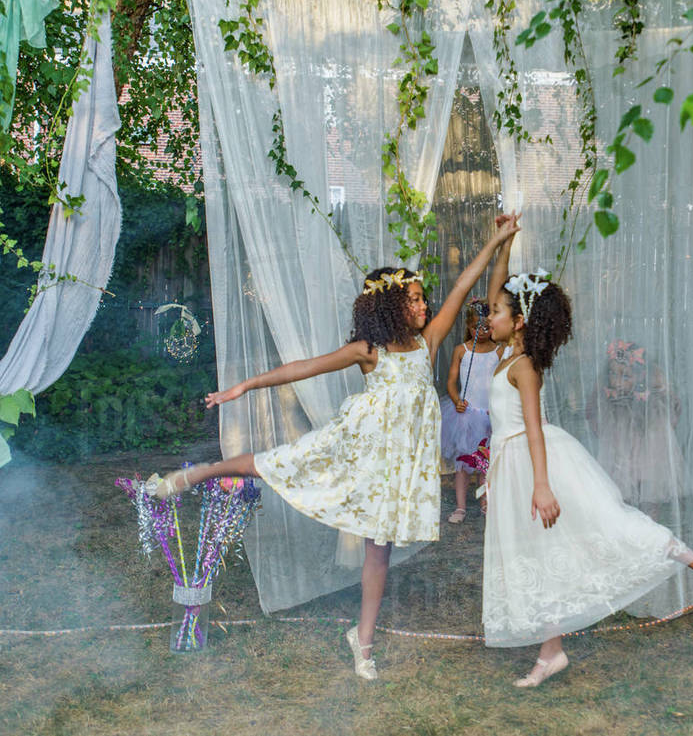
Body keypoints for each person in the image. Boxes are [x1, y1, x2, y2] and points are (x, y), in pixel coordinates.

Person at [148, 215, 521, 681]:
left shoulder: (428, 344)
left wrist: (497, 239)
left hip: (394, 470)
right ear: (391, 308)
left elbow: (466, 286)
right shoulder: (369, 351)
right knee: (278, 462)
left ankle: (361, 642)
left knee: (378, 551)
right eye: (416, 300)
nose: (426, 305)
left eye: (425, 298)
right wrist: (241, 387)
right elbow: (303, 368)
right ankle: (198, 473)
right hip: (355, 449)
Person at [479, 234, 693, 688]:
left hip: (538, 463)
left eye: (497, 312)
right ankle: (552, 652)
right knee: (544, 556)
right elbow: (496, 289)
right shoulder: (505, 351)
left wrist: (541, 485)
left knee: (611, 526)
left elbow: (534, 429)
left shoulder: (523, 366)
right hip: (512, 467)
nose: (488, 315)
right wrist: (504, 242)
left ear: (519, 321)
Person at [586, 339, 682, 508]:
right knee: (622, 491)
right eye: (613, 374)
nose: (617, 382)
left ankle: (652, 527)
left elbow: (673, 407)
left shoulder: (652, 388)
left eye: (626, 376)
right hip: (621, 444)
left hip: (648, 444)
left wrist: (657, 394)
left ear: (640, 375)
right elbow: (591, 410)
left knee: (650, 490)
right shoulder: (606, 389)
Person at [439, 298, 502, 522]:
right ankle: (461, 507)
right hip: (467, 416)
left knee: (486, 463)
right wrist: (457, 400)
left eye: (486, 327)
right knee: (464, 464)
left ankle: (486, 503)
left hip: (489, 414)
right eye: (476, 326)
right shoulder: (461, 350)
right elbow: (451, 382)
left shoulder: (499, 351)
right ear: (468, 326)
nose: (481, 331)